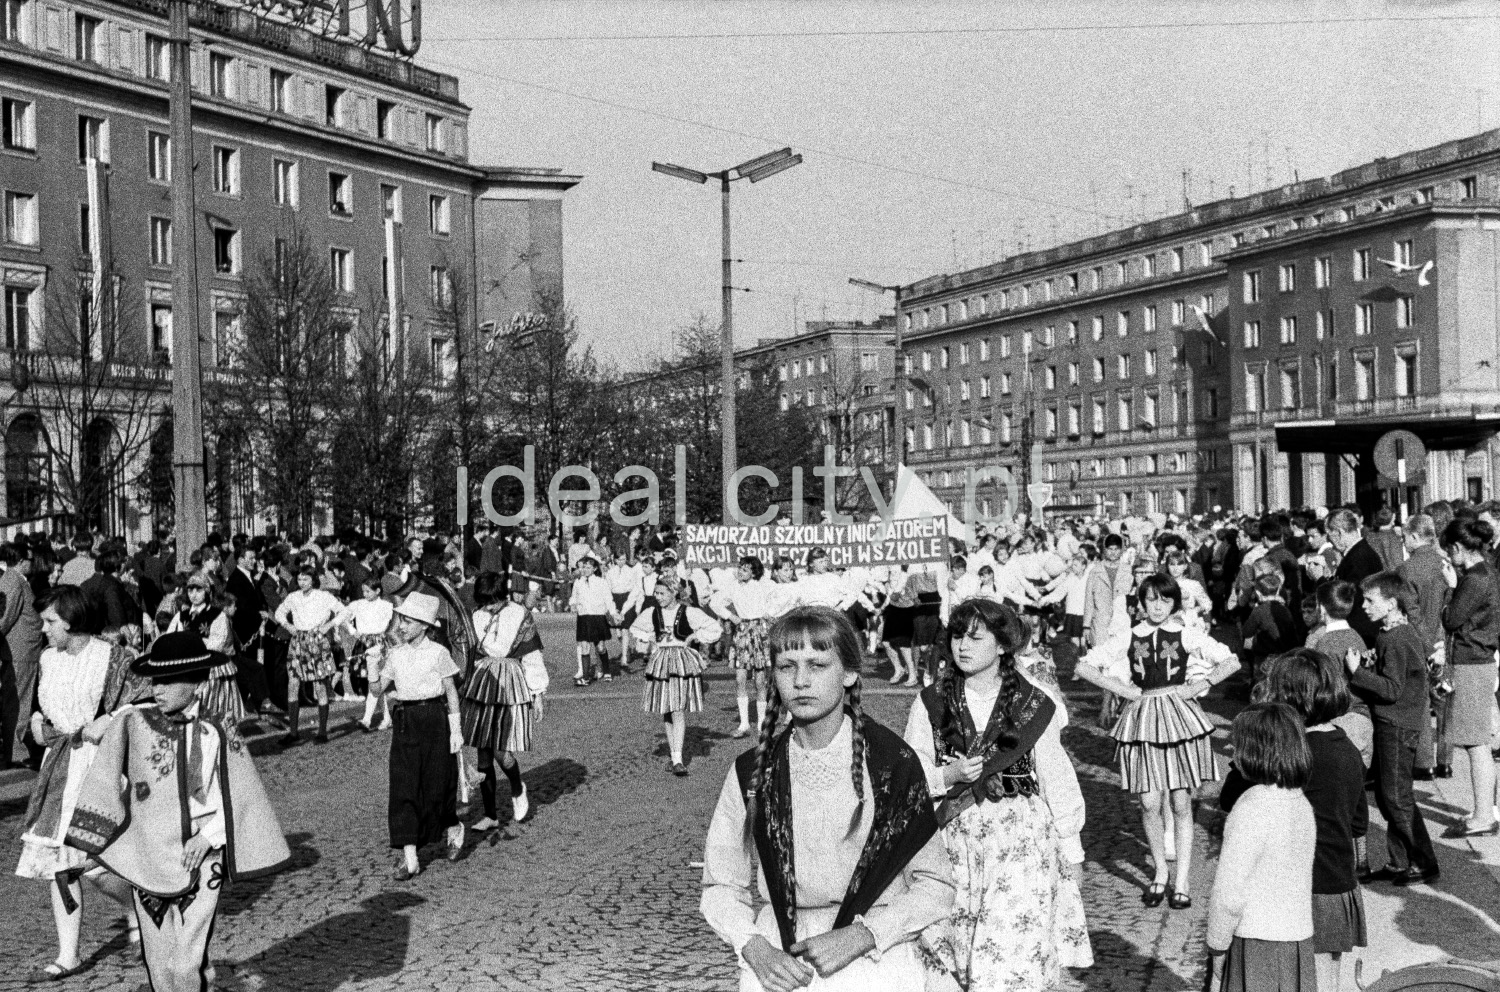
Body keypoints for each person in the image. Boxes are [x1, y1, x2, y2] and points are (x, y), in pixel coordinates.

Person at [700, 606, 955, 991]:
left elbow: (936, 885)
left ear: (849, 673)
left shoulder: (891, 764)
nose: (801, 681)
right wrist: (753, 946)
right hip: (780, 962)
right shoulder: (753, 773)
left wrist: (863, 935)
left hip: (875, 959)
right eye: (787, 667)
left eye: (818, 665)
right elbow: (721, 884)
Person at [65, 630, 290, 992]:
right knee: (158, 960)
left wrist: (209, 836)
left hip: (200, 856)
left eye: (170, 681)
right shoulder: (135, 723)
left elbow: (238, 792)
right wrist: (92, 832)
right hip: (148, 853)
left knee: (187, 960)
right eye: (156, 680)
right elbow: (104, 768)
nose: (159, 689)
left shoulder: (218, 730)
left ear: (198, 683)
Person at [904, 599, 1091, 990]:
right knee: (951, 957)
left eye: (975, 637)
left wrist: (1072, 850)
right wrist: (947, 774)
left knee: (1008, 959)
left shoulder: (1034, 702)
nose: (962, 647)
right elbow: (911, 770)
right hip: (953, 844)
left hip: (1019, 846)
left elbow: (1056, 777)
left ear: (1003, 645)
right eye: (957, 637)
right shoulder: (931, 703)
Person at [1075, 574, 1239, 908]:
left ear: (1174, 603)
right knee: (1149, 802)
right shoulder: (1130, 636)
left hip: (1179, 718)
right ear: (1141, 603)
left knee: (1180, 803)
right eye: (1151, 600)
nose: (1158, 606)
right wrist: (1123, 690)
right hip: (1143, 719)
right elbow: (1085, 666)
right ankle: (1160, 872)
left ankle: (1182, 881)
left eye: (1164, 600)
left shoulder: (1186, 634)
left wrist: (1196, 686)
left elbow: (1230, 660)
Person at [15, 586, 146, 981]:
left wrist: (113, 718)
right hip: (60, 769)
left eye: (51, 621)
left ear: (71, 620)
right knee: (60, 864)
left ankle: (139, 905)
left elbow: (145, 699)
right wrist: (38, 724)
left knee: (95, 863)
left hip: (102, 767)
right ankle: (68, 954)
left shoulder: (112, 658)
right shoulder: (47, 659)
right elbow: (41, 707)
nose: (43, 629)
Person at [1219, 651, 1368, 992]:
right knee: (1327, 981)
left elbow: (1231, 798)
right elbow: (1358, 825)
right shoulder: (1348, 750)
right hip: (1337, 886)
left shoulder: (1288, 754)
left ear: (1286, 698)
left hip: (1291, 892)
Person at [1204, 702, 1317, 992]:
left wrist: (1217, 946)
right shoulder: (1301, 802)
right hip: (1296, 940)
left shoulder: (1251, 806)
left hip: (1254, 942)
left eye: (1238, 747)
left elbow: (1229, 892)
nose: (1233, 754)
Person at [1343, 572, 1440, 885]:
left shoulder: (1396, 638)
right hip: (1395, 722)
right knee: (1388, 796)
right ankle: (1400, 861)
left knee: (1396, 797)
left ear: (1392, 603)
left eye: (1371, 600)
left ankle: (1424, 861)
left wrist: (1358, 672)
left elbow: (1392, 689)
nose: (1365, 606)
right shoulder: (1392, 633)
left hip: (1398, 724)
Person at [375, 591, 465, 879]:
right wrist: (373, 666)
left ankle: (453, 826)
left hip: (435, 720)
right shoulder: (396, 654)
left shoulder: (439, 653)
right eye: (402, 620)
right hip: (406, 721)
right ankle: (410, 857)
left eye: (409, 621)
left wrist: (456, 730)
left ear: (424, 625)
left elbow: (451, 692)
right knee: (404, 786)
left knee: (437, 784)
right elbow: (378, 689)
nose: (402, 626)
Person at [462, 572, 547, 832]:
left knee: (501, 750)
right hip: (482, 680)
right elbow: (468, 651)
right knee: (483, 751)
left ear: (503, 596)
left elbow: (531, 655)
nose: (488, 607)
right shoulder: (476, 616)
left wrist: (538, 693)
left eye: (493, 602)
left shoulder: (520, 614)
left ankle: (517, 784)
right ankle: (490, 814)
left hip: (509, 681)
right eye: (484, 602)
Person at [1438, 518, 1500, 837]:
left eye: (1449, 551)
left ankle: (1483, 817)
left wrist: (1450, 587)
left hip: (1471, 662)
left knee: (1476, 744)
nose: (1448, 557)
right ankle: (1484, 810)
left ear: (1458, 547)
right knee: (1480, 742)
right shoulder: (1488, 571)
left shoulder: (1473, 580)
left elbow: (1451, 620)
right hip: (1482, 661)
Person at [631, 576, 722, 776]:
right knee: (667, 709)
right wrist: (651, 638)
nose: (658, 597)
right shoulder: (652, 613)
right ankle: (674, 757)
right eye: (656, 593)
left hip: (681, 660)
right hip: (661, 660)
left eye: (662, 593)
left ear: (674, 593)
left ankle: (678, 759)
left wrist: (692, 637)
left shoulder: (688, 611)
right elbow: (635, 628)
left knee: (678, 709)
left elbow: (714, 628)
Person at [1397, 514, 1451, 780]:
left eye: (1405, 537)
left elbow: (1412, 611)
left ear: (1415, 536)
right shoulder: (1446, 562)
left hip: (1420, 641)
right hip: (1445, 637)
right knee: (1444, 702)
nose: (1404, 542)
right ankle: (1446, 760)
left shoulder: (1407, 569)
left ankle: (1425, 762)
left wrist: (1427, 642)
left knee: (1421, 701)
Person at [272, 563, 346, 746]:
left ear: (313, 580)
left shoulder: (323, 596)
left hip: (317, 641)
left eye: (305, 579)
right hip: (298, 641)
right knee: (293, 683)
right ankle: (293, 732)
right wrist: (288, 626)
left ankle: (322, 731)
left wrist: (329, 625)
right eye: (299, 579)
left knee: (320, 685)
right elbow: (280, 612)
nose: (302, 582)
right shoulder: (293, 597)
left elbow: (344, 611)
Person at [712, 556, 778, 739]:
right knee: (740, 678)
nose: (740, 572)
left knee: (760, 681)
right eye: (740, 568)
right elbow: (715, 603)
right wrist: (730, 616)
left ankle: (762, 724)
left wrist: (770, 613)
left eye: (745, 569)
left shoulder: (764, 584)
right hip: (742, 633)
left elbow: (782, 595)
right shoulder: (733, 586)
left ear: (754, 572)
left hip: (760, 631)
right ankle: (744, 724)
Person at [166, 572, 243, 725]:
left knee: (215, 708)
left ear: (207, 592)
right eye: (190, 590)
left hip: (212, 669)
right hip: (189, 667)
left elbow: (218, 643)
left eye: (198, 590)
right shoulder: (182, 616)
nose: (193, 594)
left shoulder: (217, 615)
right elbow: (170, 637)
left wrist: (192, 642)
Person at [0, 542, 45, 769]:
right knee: (16, 701)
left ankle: (16, 748)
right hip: (19, 650)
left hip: (23, 649)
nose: (32, 563)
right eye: (29, 559)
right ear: (19, 561)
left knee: (20, 700)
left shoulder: (15, 580)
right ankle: (14, 752)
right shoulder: (13, 581)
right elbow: (4, 617)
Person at [345, 576, 396, 732]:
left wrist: (381, 638)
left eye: (368, 591)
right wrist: (354, 632)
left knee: (376, 681)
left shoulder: (386, 606)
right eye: (363, 591)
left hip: (379, 644)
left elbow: (389, 624)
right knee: (373, 682)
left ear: (378, 591)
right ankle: (387, 718)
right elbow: (343, 618)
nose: (365, 594)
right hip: (364, 643)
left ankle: (367, 719)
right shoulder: (358, 605)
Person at [568, 554, 615, 685]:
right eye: (584, 567)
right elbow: (573, 598)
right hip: (584, 617)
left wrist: (613, 612)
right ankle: (586, 677)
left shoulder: (601, 582)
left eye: (588, 568)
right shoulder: (578, 582)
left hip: (598, 617)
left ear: (594, 569)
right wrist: (572, 604)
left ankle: (606, 671)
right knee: (584, 647)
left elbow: (608, 599)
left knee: (600, 647)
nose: (585, 570)